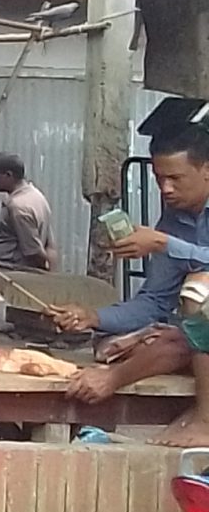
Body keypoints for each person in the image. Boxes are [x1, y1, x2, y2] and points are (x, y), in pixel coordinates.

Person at [54, 124, 209, 411]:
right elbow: (154, 301)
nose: (166, 189)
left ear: (206, 170)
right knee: (116, 345)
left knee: (200, 289)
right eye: (159, 178)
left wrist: (164, 244)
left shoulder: (165, 235)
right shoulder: (174, 219)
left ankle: (204, 417)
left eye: (175, 178)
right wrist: (93, 317)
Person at [0, 154, 55, 274]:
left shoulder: (19, 207)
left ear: (8, 175)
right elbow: (50, 245)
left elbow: (33, 252)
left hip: (12, 273)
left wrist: (45, 274)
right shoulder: (37, 196)